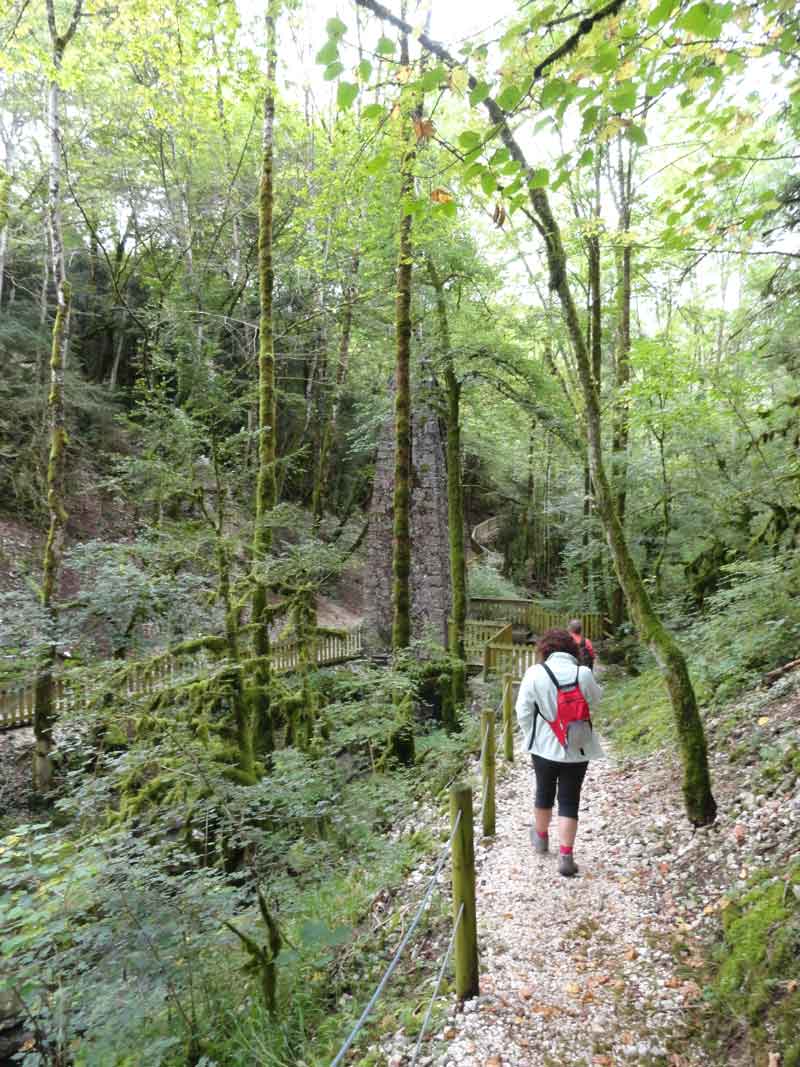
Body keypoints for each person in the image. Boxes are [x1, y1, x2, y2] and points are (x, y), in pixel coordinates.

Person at [515, 627, 603, 877]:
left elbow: (522, 711)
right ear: (571, 649)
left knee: (543, 791)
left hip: (543, 747)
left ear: (545, 649)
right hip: (577, 747)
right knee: (569, 799)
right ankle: (566, 855)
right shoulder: (583, 673)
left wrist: (531, 734)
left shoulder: (534, 673)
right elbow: (596, 700)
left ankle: (541, 838)